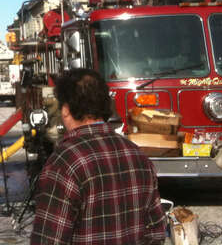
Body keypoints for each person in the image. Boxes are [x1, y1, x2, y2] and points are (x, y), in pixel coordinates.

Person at [29, 68, 165, 245]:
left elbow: (48, 240)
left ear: (66, 110)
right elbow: (155, 233)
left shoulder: (64, 162)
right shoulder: (137, 155)